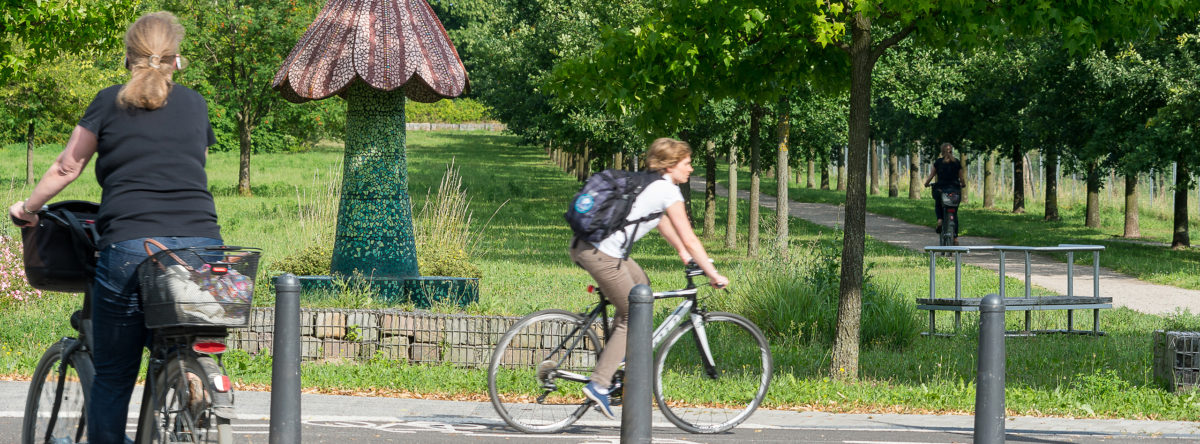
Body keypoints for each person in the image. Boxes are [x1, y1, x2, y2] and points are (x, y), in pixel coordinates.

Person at [9, 12, 222, 443]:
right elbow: (193, 161)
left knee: (112, 373)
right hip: (203, 246)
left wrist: (28, 208)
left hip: (131, 244)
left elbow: (68, 165)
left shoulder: (109, 101)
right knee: (177, 332)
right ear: (177, 60)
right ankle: (187, 370)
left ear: (128, 59)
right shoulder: (196, 104)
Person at [569, 137, 730, 419]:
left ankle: (621, 355)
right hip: (601, 253)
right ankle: (600, 383)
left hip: (597, 248)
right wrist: (712, 272)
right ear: (671, 165)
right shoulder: (668, 191)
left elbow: (660, 220)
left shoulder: (650, 183)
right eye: (687, 163)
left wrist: (681, 252)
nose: (691, 169)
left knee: (642, 286)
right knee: (634, 312)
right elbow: (691, 236)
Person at [923, 142, 967, 244]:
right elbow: (961, 177)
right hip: (954, 190)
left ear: (942, 151)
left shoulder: (938, 162)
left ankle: (939, 220)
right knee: (954, 213)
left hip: (941, 190)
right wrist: (963, 184)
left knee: (938, 203)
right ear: (951, 151)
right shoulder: (957, 162)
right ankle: (955, 238)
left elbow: (932, 175)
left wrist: (926, 183)